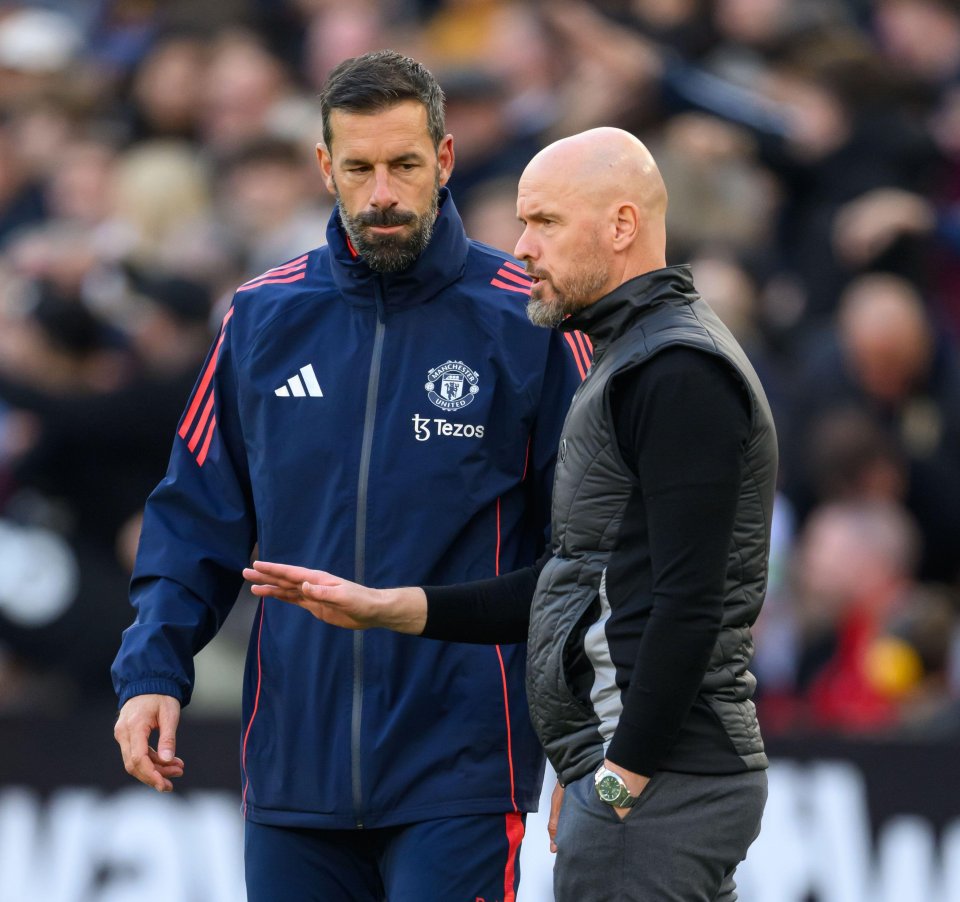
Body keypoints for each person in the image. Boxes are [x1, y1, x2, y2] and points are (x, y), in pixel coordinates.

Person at [245, 126, 780, 902]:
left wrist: (622, 775)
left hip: (662, 780)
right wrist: (387, 608)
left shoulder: (678, 371)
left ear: (622, 226)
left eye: (546, 222)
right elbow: (580, 585)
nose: (522, 246)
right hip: (645, 772)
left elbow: (685, 603)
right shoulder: (634, 359)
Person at [111, 51, 585, 902]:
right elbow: (194, 517)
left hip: (464, 772)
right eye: (359, 167)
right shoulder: (262, 318)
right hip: (295, 771)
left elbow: (585, 553)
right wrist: (152, 671)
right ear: (324, 166)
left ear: (443, 160)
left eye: (404, 165)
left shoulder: (531, 320)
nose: (382, 195)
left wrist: (584, 748)